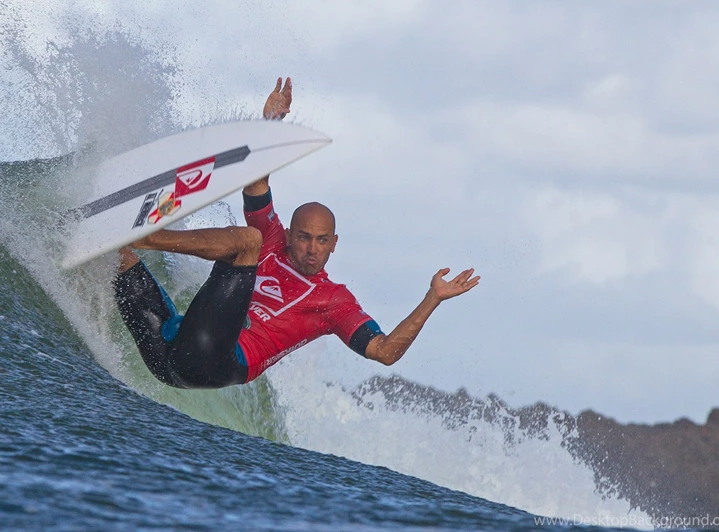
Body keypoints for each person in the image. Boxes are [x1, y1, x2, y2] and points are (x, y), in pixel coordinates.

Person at [113, 77, 480, 389]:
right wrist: (270, 124)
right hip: (167, 350)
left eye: (322, 241)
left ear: (334, 245)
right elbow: (256, 183)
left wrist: (433, 297)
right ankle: (110, 239)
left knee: (248, 241)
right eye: (304, 237)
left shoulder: (333, 301)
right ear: (289, 235)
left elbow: (384, 352)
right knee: (115, 257)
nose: (311, 249)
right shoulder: (273, 239)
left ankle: (145, 236)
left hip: (214, 363)